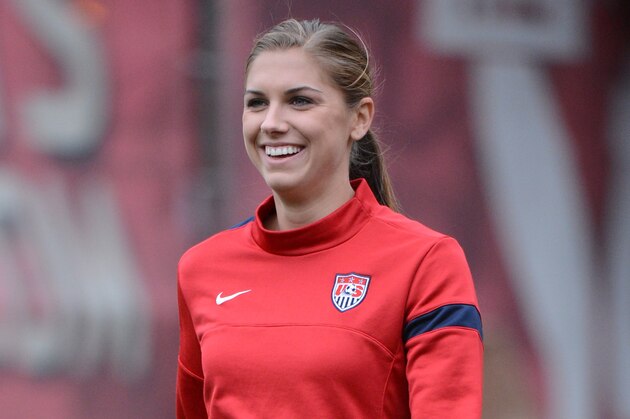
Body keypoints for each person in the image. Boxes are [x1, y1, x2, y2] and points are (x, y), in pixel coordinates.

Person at [176, 18, 483, 418]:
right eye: (256, 102)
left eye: (300, 100)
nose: (271, 123)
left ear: (360, 118)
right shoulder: (201, 268)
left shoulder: (427, 262)